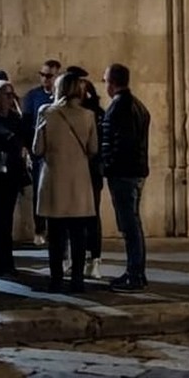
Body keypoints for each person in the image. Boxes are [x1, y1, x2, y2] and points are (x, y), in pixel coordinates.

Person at [33, 72, 99, 293]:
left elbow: (37, 149)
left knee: (56, 236)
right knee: (78, 235)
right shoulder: (88, 115)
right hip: (79, 182)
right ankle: (77, 280)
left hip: (54, 180)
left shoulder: (46, 112)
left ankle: (56, 280)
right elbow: (93, 148)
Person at [101, 63, 151, 293]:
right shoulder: (137, 105)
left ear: (112, 82)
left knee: (130, 226)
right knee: (132, 224)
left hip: (124, 174)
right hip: (134, 171)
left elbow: (122, 144)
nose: (105, 85)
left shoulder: (120, 106)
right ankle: (135, 272)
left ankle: (135, 275)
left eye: (105, 80)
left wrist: (108, 165)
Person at [0, 80, 29, 278]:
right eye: (7, 94)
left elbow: (24, 139)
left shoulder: (15, 119)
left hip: (10, 173)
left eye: (12, 95)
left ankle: (6, 261)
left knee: (6, 219)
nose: (10, 98)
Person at [21, 59, 60, 246]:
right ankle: (39, 229)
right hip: (39, 153)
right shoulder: (33, 96)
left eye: (49, 75)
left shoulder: (61, 97)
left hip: (58, 152)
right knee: (39, 191)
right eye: (42, 75)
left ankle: (56, 229)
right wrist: (29, 149)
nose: (45, 79)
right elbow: (26, 125)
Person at [79, 74, 106, 280]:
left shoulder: (96, 114)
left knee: (92, 215)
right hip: (84, 169)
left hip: (91, 169)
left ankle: (94, 259)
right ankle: (82, 259)